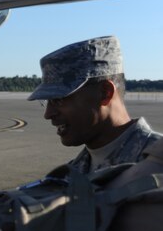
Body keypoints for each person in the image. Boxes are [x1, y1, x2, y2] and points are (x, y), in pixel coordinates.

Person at [27, 35, 162, 173]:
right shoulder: (74, 172)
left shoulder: (156, 164)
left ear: (105, 93)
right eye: (47, 101)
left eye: (59, 99)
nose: (48, 114)